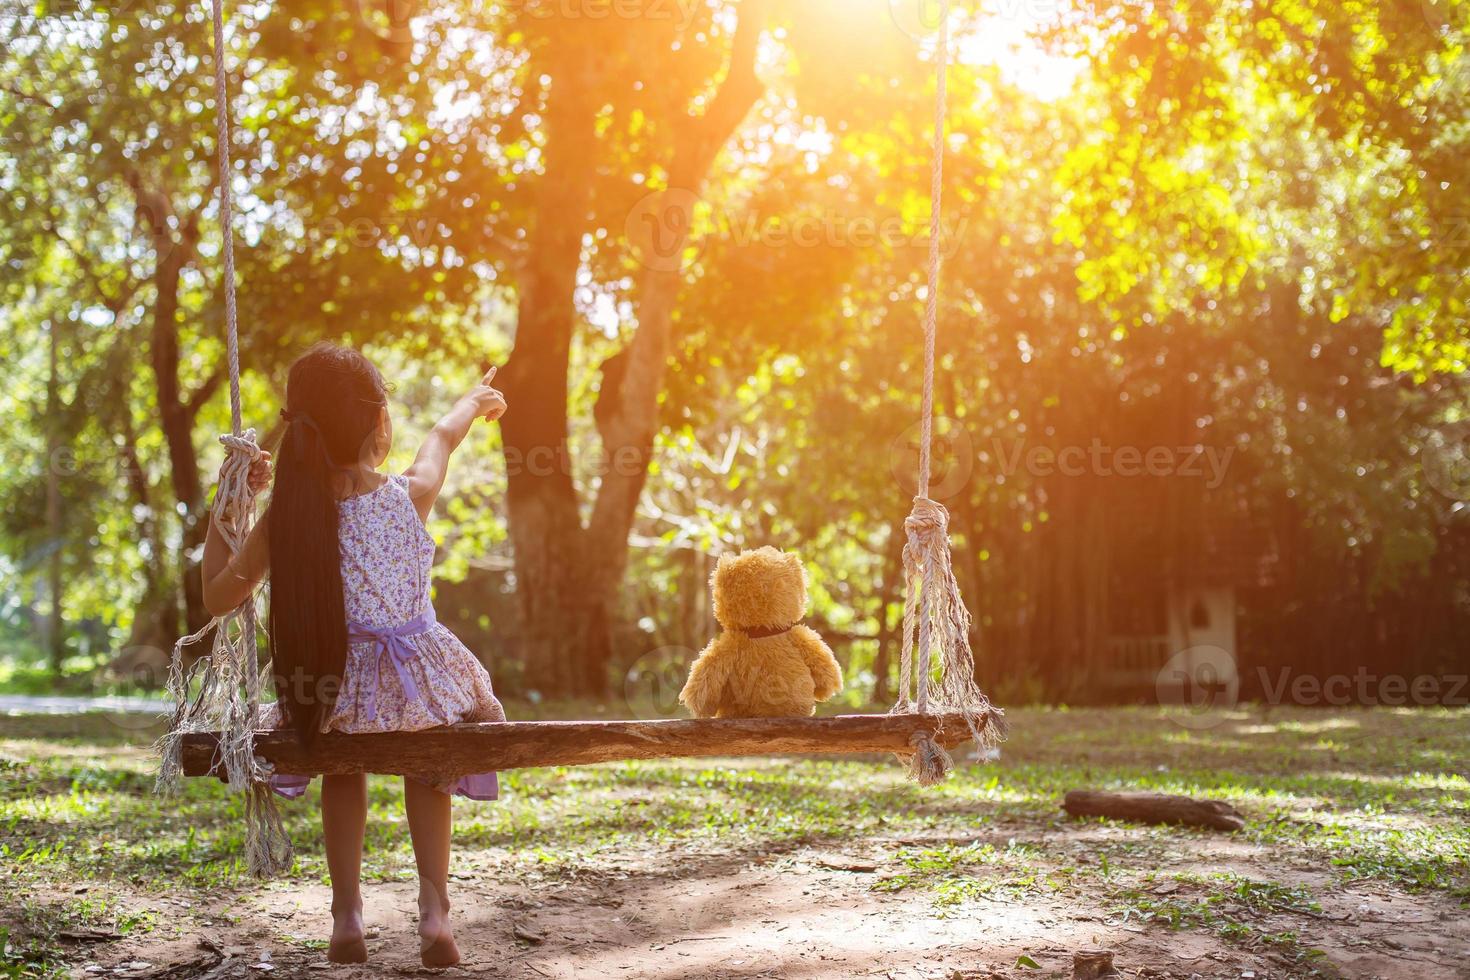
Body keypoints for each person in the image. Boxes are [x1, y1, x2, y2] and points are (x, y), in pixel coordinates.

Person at [201, 342, 508, 967]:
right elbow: (442, 441)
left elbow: (216, 597)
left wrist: (225, 510)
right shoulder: (406, 494)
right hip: (421, 684)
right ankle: (433, 911)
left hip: (333, 689)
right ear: (377, 423)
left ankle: (347, 915)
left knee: (343, 769)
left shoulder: (286, 520)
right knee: (430, 768)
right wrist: (473, 402)